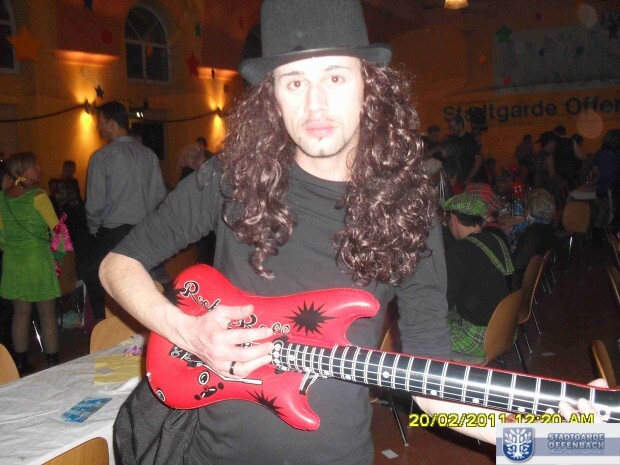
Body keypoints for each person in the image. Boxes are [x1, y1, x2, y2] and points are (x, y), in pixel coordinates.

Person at [100, 1, 605, 463]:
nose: (315, 105)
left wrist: (559, 441)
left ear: (369, 84)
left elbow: (434, 390)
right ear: (272, 95)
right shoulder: (231, 179)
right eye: (294, 82)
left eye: (336, 77)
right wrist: (186, 330)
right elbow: (116, 264)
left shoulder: (407, 210)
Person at [86, 101, 166, 318]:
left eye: (101, 123)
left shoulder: (102, 157)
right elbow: (159, 197)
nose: (98, 128)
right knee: (143, 290)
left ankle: (113, 334)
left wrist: (93, 229)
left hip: (113, 234)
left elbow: (94, 204)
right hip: (145, 232)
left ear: (112, 124)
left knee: (112, 292)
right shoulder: (149, 155)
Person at [0, 152, 67, 372]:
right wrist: (59, 256)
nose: (39, 168)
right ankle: (52, 364)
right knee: (47, 314)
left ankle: (20, 365)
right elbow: (58, 230)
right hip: (37, 259)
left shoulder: (2, 198)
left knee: (20, 314)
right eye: (34, 166)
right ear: (22, 171)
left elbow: (1, 237)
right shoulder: (38, 196)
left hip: (13, 262)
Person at [442, 193, 513, 357]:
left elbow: (443, 303)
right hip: (505, 328)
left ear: (453, 218)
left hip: (478, 338)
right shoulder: (497, 239)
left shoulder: (458, 251)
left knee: (415, 331)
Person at [443, 115, 486, 191]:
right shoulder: (452, 140)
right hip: (460, 181)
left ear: (460, 125)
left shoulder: (470, 140)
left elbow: (478, 159)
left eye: (453, 127)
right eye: (450, 127)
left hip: (473, 181)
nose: (451, 129)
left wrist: (469, 178)